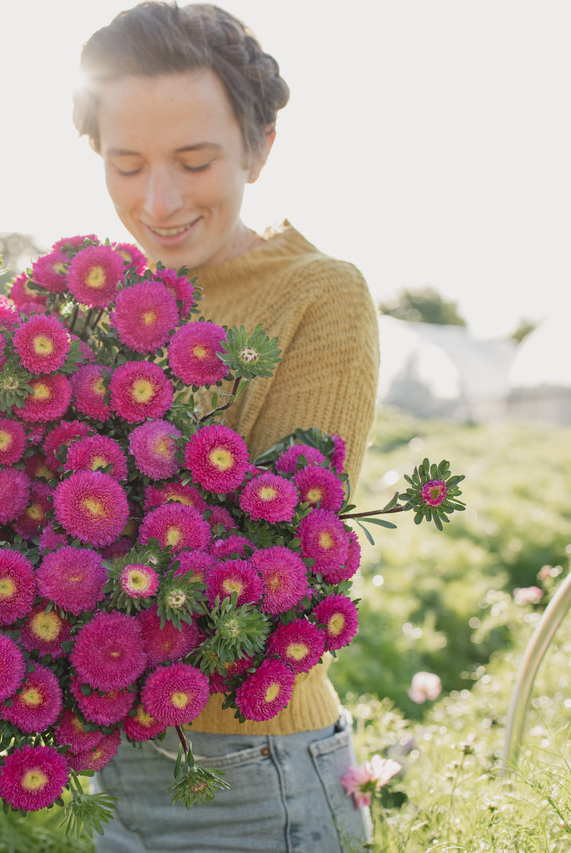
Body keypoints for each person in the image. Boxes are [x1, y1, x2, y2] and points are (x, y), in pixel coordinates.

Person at [72, 3, 381, 851]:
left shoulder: (319, 294)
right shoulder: (96, 305)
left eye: (195, 162)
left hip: (257, 774)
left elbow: (282, 566)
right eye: (126, 165)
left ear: (259, 146)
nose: (159, 201)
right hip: (118, 763)